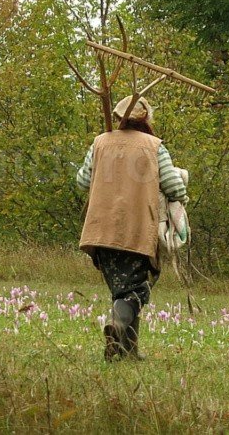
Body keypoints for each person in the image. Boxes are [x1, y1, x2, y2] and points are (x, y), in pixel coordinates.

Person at [77, 95, 188, 361]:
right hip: (137, 230)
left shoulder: (99, 142)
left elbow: (82, 181)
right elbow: (173, 185)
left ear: (118, 117)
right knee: (137, 290)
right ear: (146, 119)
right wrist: (182, 198)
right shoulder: (154, 146)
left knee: (122, 289)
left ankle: (128, 351)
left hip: (100, 229)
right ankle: (116, 325)